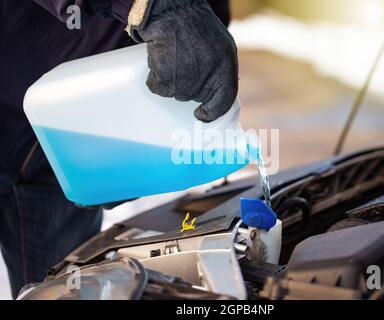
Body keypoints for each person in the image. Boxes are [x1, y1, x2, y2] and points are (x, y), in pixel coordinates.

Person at [0, 0, 238, 298]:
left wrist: (200, 37)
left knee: (68, 288)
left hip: (68, 137)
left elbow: (197, 30)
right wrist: (158, 6)